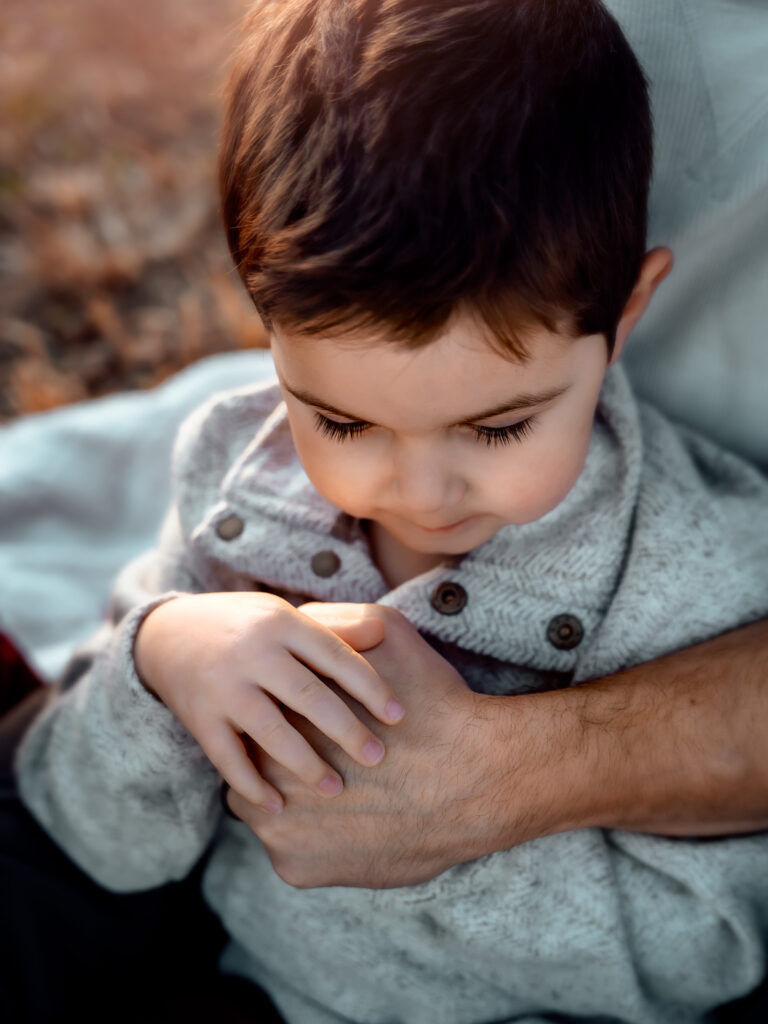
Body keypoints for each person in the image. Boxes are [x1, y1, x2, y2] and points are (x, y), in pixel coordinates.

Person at [10, 1, 768, 1022]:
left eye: (497, 429)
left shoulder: (701, 568)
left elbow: (706, 957)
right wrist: (163, 661)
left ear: (623, 316)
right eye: (341, 419)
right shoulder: (234, 474)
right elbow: (92, 837)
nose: (417, 491)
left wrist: (434, 832)